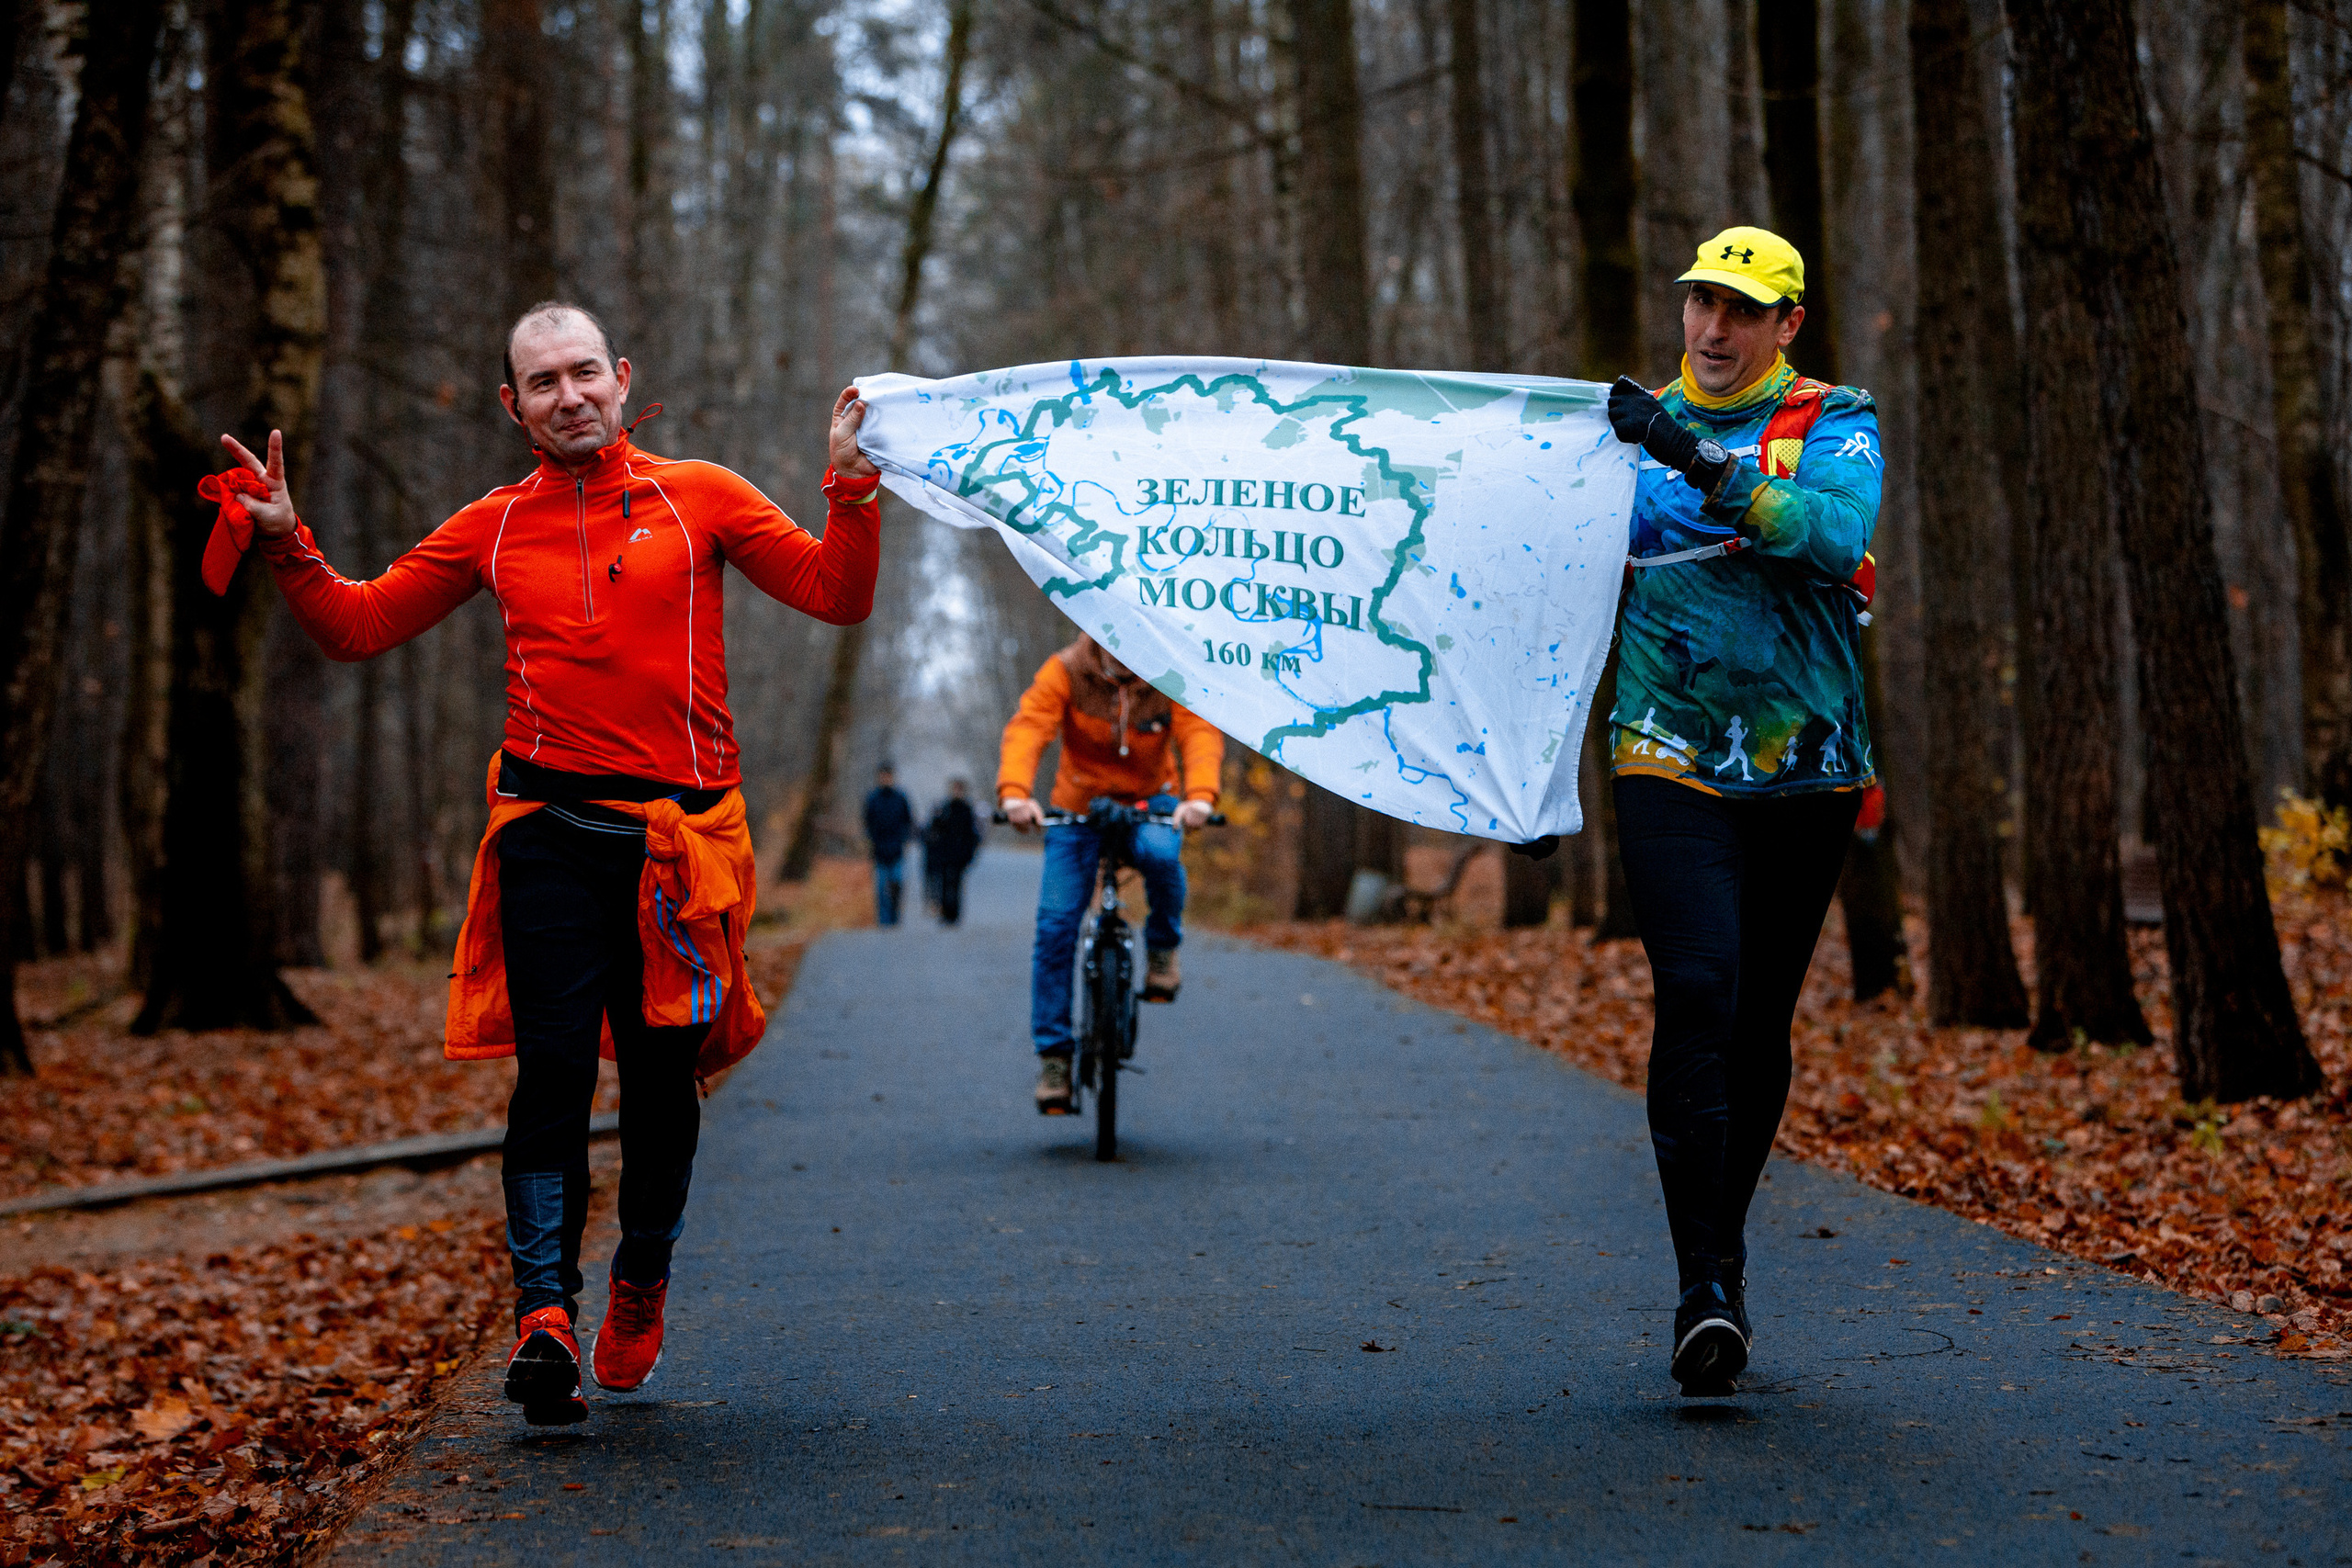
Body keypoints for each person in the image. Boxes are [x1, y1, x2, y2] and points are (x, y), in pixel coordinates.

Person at [218, 301, 881, 1426]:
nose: (568, 396)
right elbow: (359, 625)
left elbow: (837, 594)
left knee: (662, 1083)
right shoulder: (492, 523)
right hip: (548, 833)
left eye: (584, 374)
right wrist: (288, 542)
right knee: (556, 1071)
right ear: (511, 404)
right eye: (542, 382)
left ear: (621, 379)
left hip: (679, 847)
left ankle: (639, 1282)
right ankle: (542, 1318)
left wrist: (849, 490)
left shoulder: (703, 496)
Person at [1600, 226, 1883, 1396]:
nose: (1711, 330)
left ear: (1785, 325)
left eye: (1739, 310)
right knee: (1700, 989)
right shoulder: (1620, 431)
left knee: (1760, 1021)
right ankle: (1702, 1285)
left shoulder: (1834, 419)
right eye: (1698, 305)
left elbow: (1833, 536)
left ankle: (1724, 1251)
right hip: (1663, 749)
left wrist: (1707, 468)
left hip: (1808, 766)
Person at [999, 636, 1222, 1111]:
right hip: (1078, 808)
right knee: (1056, 927)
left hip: (1152, 801)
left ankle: (1162, 948)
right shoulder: (1065, 671)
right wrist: (1016, 792)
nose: (1125, 652)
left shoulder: (1168, 670)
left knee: (1162, 857)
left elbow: (1197, 730)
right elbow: (1029, 727)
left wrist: (1200, 796)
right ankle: (1055, 1060)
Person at [922, 779, 982, 926]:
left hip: (960, 855)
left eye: (958, 790)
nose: (956, 793)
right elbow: (934, 830)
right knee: (944, 885)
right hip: (944, 855)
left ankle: (954, 914)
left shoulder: (967, 810)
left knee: (956, 885)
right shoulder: (944, 809)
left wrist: (969, 854)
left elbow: (973, 835)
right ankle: (945, 914)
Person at [862, 763, 914, 926]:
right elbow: (867, 822)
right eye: (883, 776)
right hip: (879, 851)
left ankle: (895, 918)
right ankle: (884, 924)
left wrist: (904, 841)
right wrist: (870, 841)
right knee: (881, 890)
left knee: (896, 887)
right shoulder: (872, 799)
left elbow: (908, 821)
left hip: (897, 851)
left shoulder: (901, 798)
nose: (885, 779)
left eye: (888, 776)